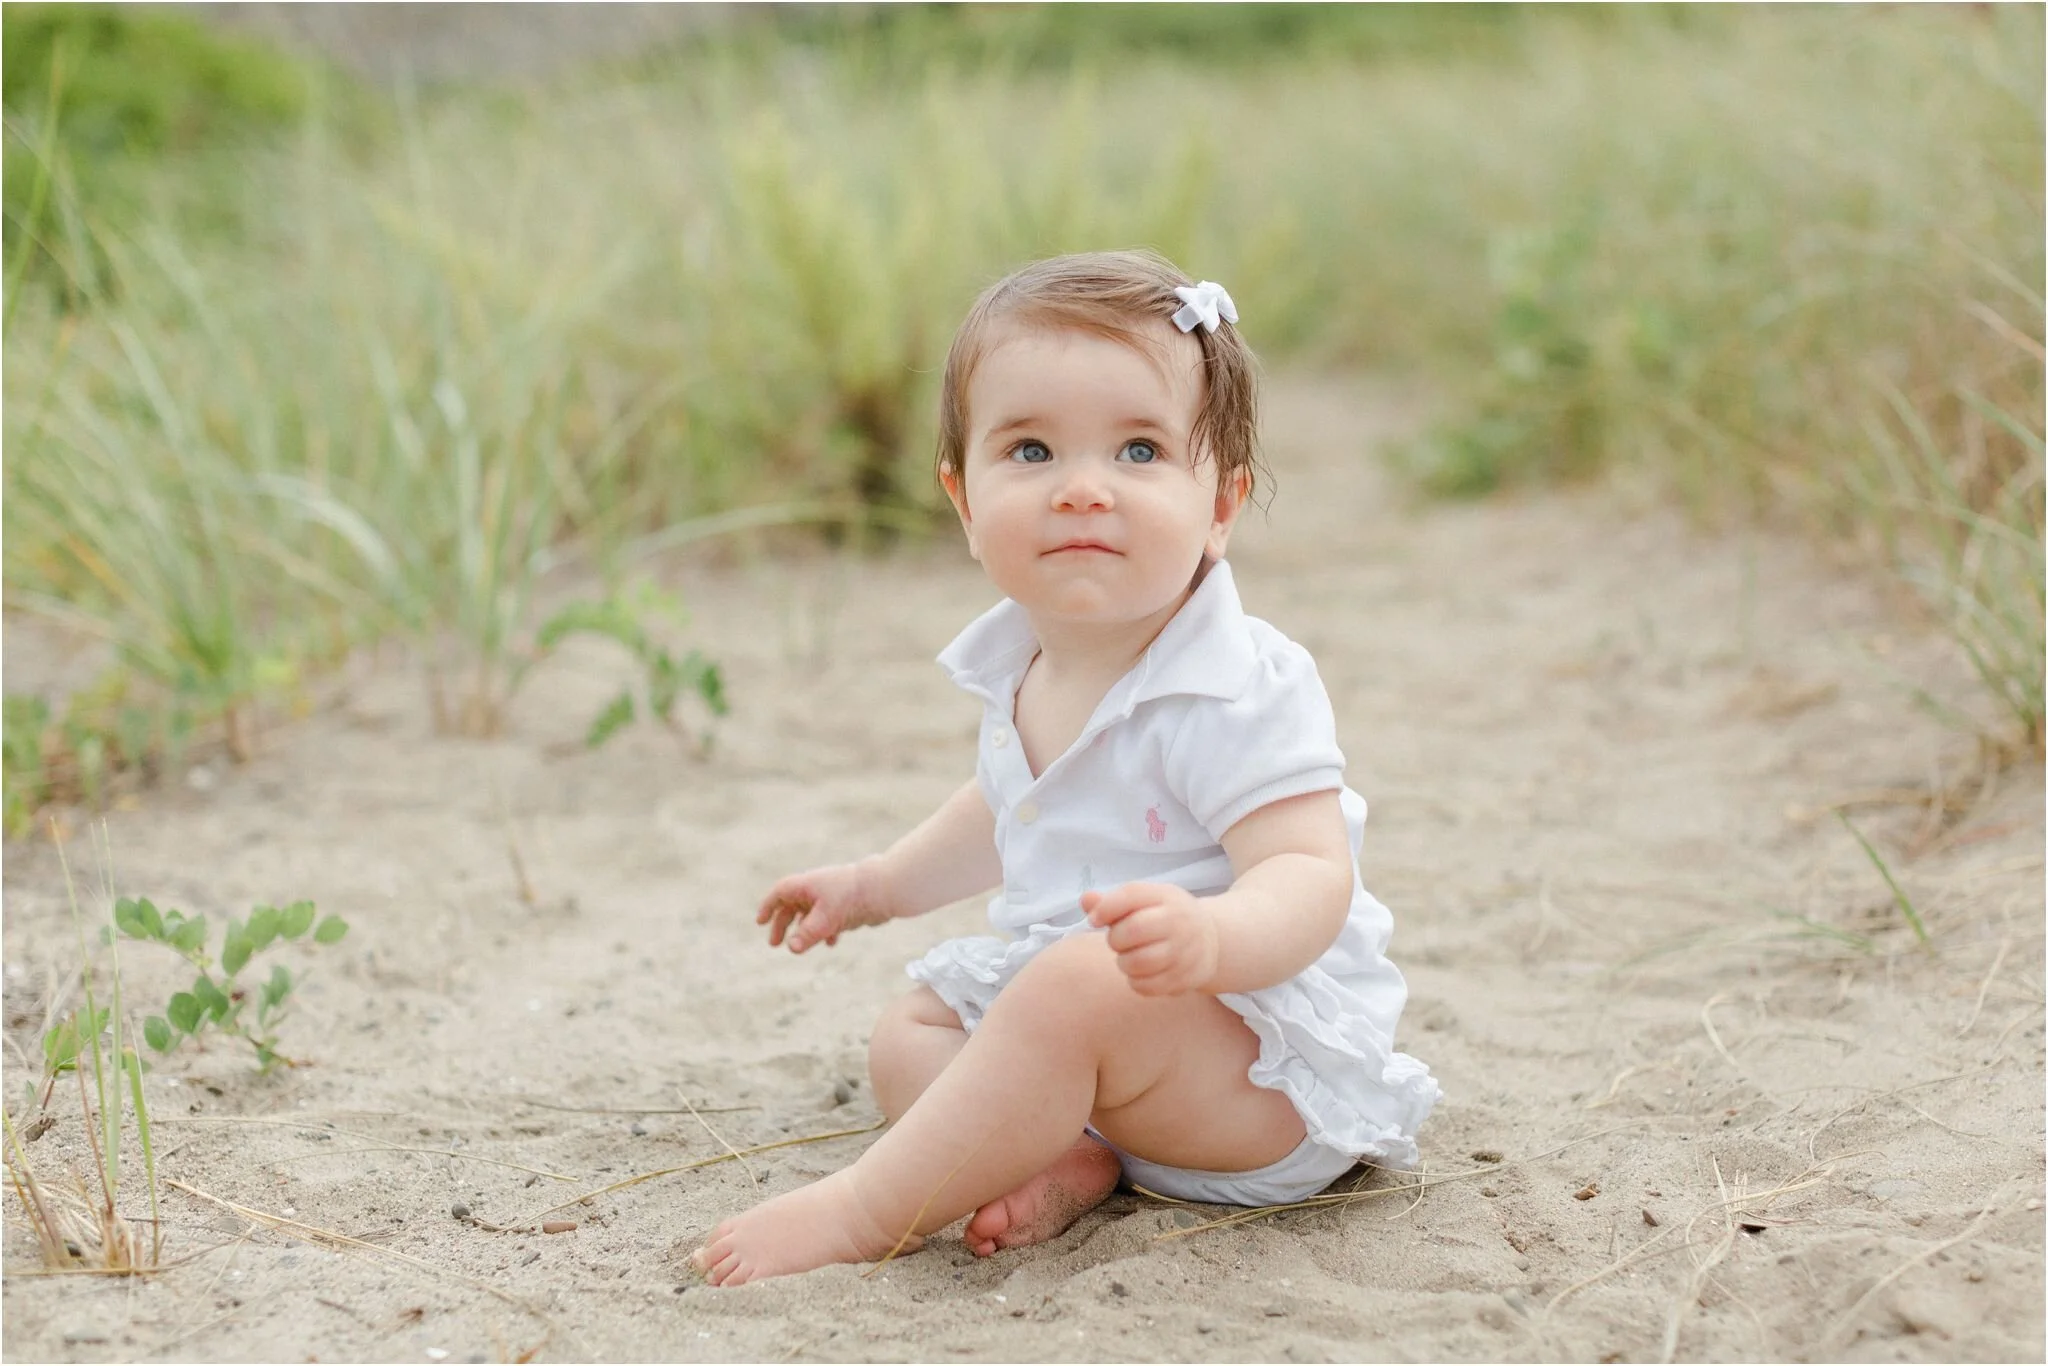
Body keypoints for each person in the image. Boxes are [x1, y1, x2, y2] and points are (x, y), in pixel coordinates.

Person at [692, 249, 1440, 1285]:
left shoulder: (1230, 684)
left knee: (1071, 983)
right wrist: (875, 885)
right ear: (962, 500)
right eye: (1032, 450)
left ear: (1219, 503)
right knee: (905, 1032)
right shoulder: (1028, 666)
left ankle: (866, 1209)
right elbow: (1001, 811)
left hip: (1250, 1074)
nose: (1082, 490)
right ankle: (1062, 1157)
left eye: (1137, 451)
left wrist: (1210, 937)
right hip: (1105, 1056)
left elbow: (1310, 872)